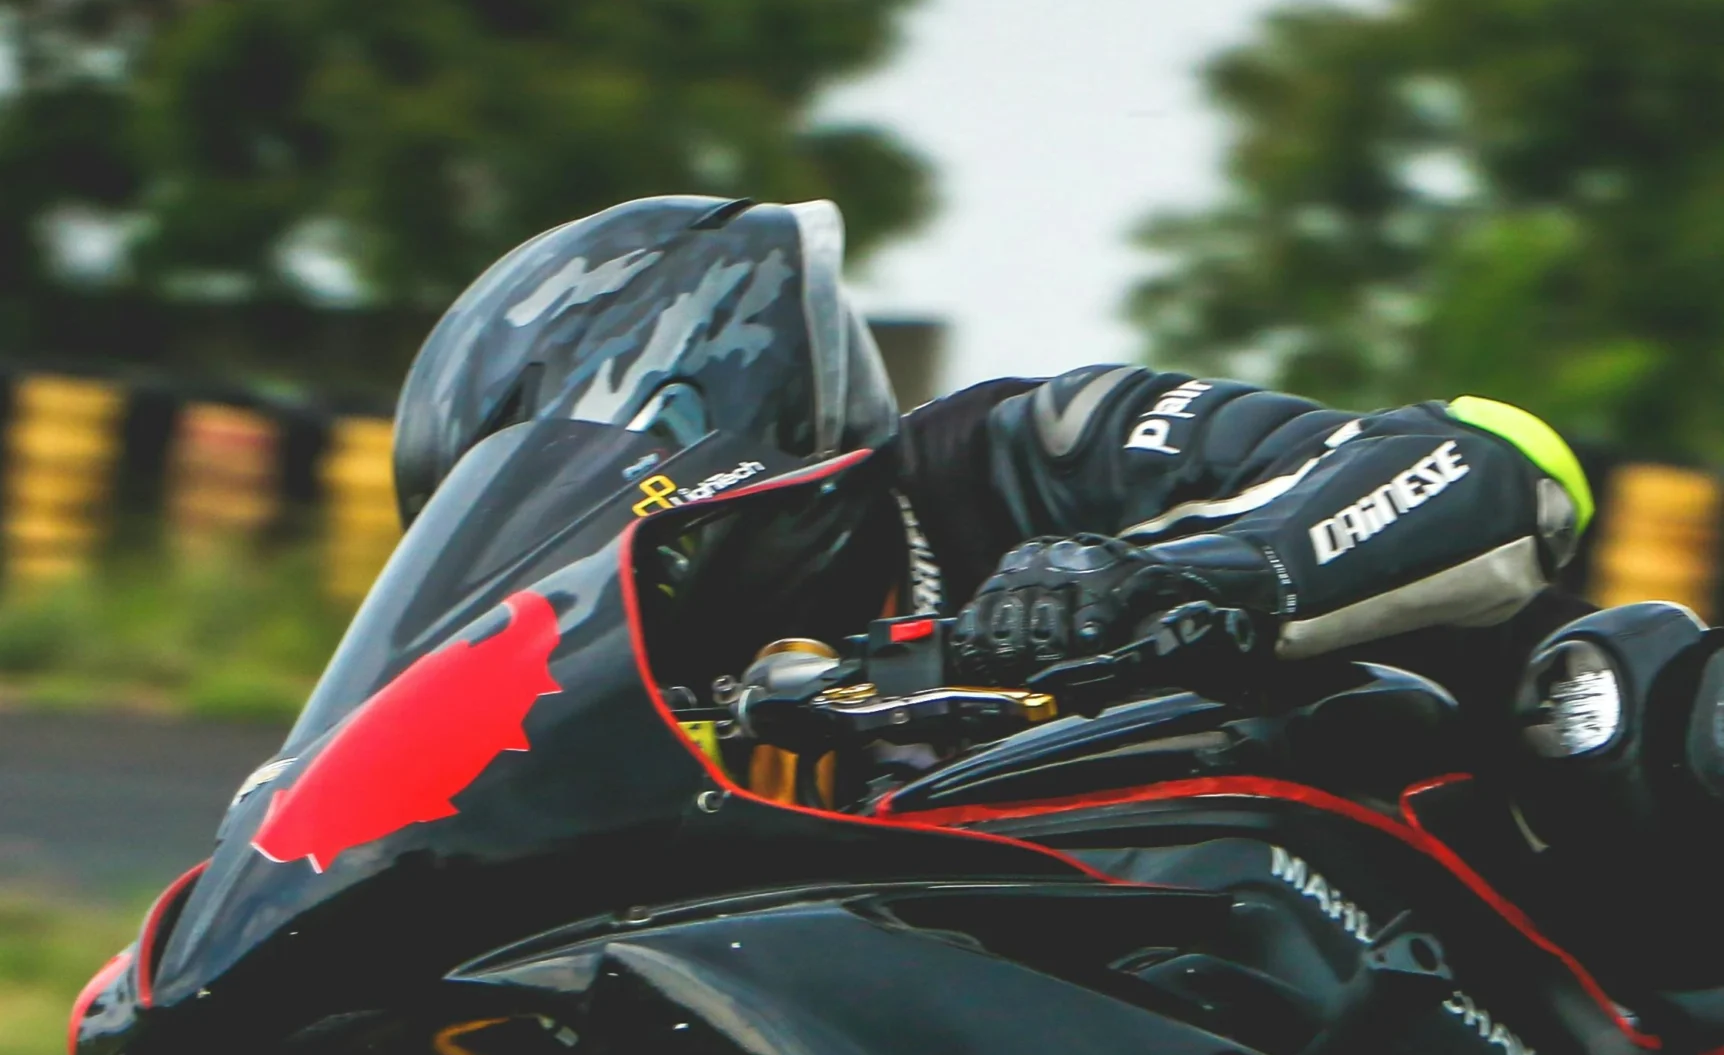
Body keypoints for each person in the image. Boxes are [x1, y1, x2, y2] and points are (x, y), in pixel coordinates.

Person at [392, 191, 1592, 735]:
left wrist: (1167, 579)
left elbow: (1484, 465)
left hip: (1486, 826)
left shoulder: (1029, 448)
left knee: (1651, 697)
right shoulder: (674, 735)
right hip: (1171, 1043)